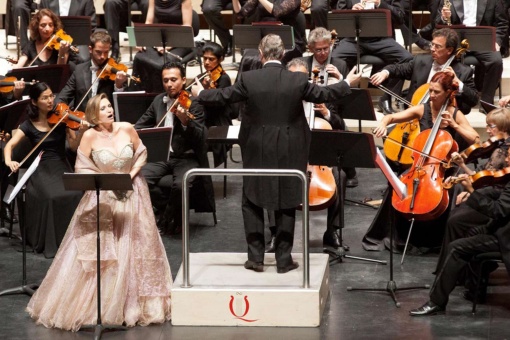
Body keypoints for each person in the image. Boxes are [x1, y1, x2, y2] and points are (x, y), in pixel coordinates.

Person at [192, 34, 361, 273]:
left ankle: (256, 259)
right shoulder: (297, 80)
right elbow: (324, 95)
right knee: (287, 201)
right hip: (290, 149)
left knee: (251, 199)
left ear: (261, 54)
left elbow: (223, 97)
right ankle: (283, 260)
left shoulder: (249, 78)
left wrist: (200, 93)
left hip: (256, 148)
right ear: (283, 55)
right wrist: (347, 84)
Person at [26, 93, 172, 330]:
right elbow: (81, 167)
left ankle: (134, 303)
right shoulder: (89, 136)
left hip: (133, 190)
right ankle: (104, 303)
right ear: (94, 114)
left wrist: (130, 176)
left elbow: (141, 153)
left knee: (137, 242)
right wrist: (106, 183)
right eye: (103, 108)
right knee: (106, 248)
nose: (109, 110)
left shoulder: (126, 128)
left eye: (109, 106)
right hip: (104, 194)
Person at [367, 71, 479, 253]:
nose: (431, 95)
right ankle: (398, 236)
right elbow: (392, 117)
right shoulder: (423, 109)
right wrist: (383, 124)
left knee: (446, 193)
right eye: (430, 90)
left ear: (448, 93)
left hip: (445, 169)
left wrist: (454, 125)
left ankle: (433, 240)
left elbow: (474, 138)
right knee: (397, 187)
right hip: (421, 166)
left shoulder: (454, 114)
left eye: (436, 92)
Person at [409, 148, 510, 316]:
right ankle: (475, 289)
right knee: (470, 232)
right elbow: (501, 194)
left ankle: (436, 302)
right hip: (501, 228)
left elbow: (498, 210)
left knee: (456, 248)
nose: (507, 159)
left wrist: (473, 191)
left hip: (505, 236)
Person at [3, 82, 87, 258]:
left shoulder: (63, 119)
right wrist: (9, 161)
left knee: (76, 194)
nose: (51, 101)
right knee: (51, 196)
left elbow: (72, 146)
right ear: (34, 102)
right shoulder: (28, 125)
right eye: (45, 98)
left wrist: (81, 133)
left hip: (61, 164)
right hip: (40, 168)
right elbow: (9, 145)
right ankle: (52, 241)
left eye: (51, 96)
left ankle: (74, 241)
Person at [134, 61, 214, 235]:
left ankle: (166, 219)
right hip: (163, 156)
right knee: (140, 179)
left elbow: (201, 137)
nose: (169, 84)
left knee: (180, 185)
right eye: (165, 80)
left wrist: (186, 121)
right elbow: (140, 125)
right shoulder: (158, 101)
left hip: (187, 157)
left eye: (173, 79)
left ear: (183, 80)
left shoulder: (194, 104)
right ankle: (169, 212)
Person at [434, 108, 510, 273]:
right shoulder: (499, 146)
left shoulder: (503, 151)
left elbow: (486, 184)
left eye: (492, 126)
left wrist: (471, 191)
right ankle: (455, 268)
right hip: (488, 195)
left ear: (504, 128)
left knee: (455, 221)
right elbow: (482, 177)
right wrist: (462, 166)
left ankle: (454, 269)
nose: (488, 130)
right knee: (456, 214)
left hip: (496, 204)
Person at [371, 28, 479, 116]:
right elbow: (399, 68)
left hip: (443, 119)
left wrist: (458, 83)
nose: (432, 49)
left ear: (449, 50)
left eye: (438, 46)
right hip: (415, 114)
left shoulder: (464, 71)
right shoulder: (420, 61)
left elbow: (473, 100)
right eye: (432, 44)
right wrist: (385, 72)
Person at [299, 27, 358, 187]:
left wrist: (340, 78)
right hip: (307, 110)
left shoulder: (340, 64)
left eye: (326, 48)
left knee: (339, 128)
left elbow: (347, 97)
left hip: (332, 111)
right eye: (318, 50)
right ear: (311, 48)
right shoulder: (302, 64)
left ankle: (350, 171)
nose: (323, 53)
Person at [331, 0, 413, 115]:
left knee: (408, 59)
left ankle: (386, 97)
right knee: (333, 59)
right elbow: (338, 16)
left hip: (382, 39)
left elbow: (400, 17)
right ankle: (343, 98)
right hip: (354, 39)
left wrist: (380, 4)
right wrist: (351, 13)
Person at [436, 0, 508, 108]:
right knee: (443, 56)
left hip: (482, 41)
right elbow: (437, 23)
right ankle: (451, 100)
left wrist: (496, 41)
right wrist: (444, 18)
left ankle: (486, 102)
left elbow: (502, 23)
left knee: (496, 61)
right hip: (457, 41)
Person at [131, 0, 200, 93]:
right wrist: (143, 40)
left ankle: (160, 95)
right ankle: (139, 94)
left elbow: (187, 26)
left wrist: (169, 45)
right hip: (160, 40)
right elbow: (149, 21)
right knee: (139, 57)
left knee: (161, 64)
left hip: (180, 41)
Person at [56, 30, 128, 112]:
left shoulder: (116, 71)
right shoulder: (79, 69)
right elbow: (63, 96)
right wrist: (60, 110)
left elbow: (123, 104)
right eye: (98, 52)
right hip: (82, 120)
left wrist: (118, 86)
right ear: (90, 49)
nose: (102, 57)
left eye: (106, 52)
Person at [234, 0, 307, 64]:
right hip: (265, 38)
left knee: (277, 58)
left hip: (287, 40)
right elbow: (241, 13)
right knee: (248, 57)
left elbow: (277, 11)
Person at [200, 41, 233, 167]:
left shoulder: (224, 79)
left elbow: (218, 104)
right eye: (205, 59)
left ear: (221, 59)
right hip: (206, 118)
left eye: (211, 59)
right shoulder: (203, 76)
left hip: (218, 120)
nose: (207, 62)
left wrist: (206, 91)